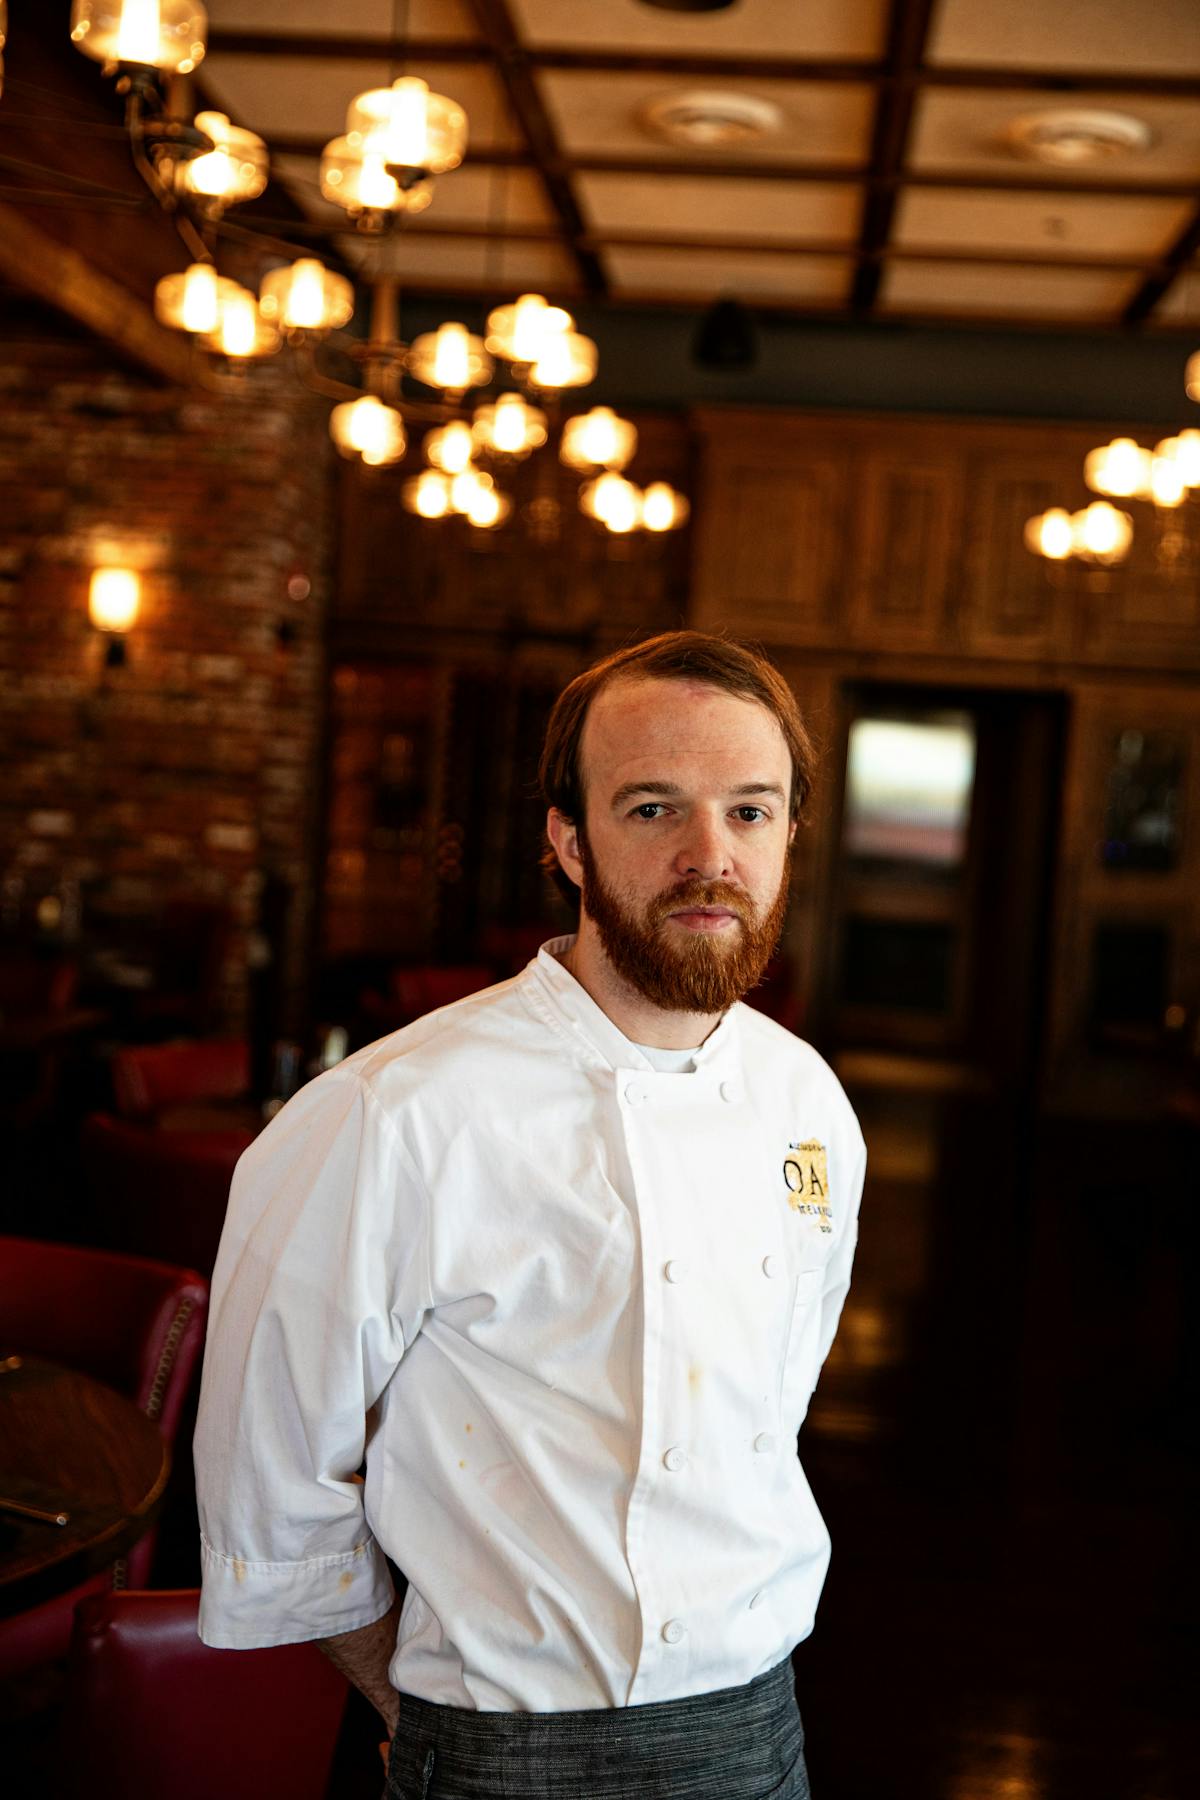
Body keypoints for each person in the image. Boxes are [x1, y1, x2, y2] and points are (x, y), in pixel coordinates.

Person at [194, 630, 866, 1800]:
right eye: (655, 809)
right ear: (568, 839)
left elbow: (779, 1388)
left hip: (763, 1733)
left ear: (792, 833)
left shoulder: (806, 1100)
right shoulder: (389, 1113)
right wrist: (417, 1706)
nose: (712, 855)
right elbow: (274, 1471)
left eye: (751, 812)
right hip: (503, 1747)